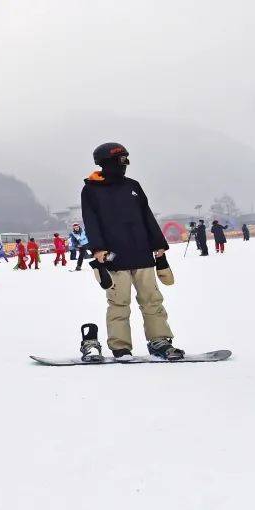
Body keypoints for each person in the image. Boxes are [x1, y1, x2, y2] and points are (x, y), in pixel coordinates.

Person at [81, 142, 183, 360]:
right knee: (119, 302)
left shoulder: (133, 186)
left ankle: (159, 341)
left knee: (152, 300)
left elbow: (147, 216)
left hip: (142, 253)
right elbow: (91, 221)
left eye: (126, 160)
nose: (124, 165)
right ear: (106, 162)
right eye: (121, 160)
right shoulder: (91, 189)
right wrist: (98, 248)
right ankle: (121, 346)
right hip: (113, 257)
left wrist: (159, 246)